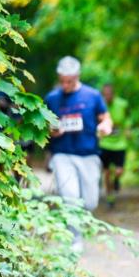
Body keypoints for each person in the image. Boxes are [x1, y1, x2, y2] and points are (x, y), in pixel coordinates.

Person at [44, 56, 112, 252]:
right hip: (62, 154)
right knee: (70, 197)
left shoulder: (92, 95)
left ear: (77, 76)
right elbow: (44, 127)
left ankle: (79, 224)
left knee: (89, 202)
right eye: (62, 80)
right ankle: (75, 240)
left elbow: (106, 118)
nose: (65, 85)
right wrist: (52, 131)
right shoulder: (52, 99)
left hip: (88, 154)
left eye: (70, 81)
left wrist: (105, 127)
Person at [98, 82, 130, 208]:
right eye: (104, 95)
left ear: (113, 94)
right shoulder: (100, 105)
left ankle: (116, 180)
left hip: (120, 144)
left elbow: (128, 118)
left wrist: (127, 129)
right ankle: (110, 197)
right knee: (106, 172)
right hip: (105, 143)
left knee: (118, 170)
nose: (107, 97)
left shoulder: (122, 104)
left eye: (109, 94)